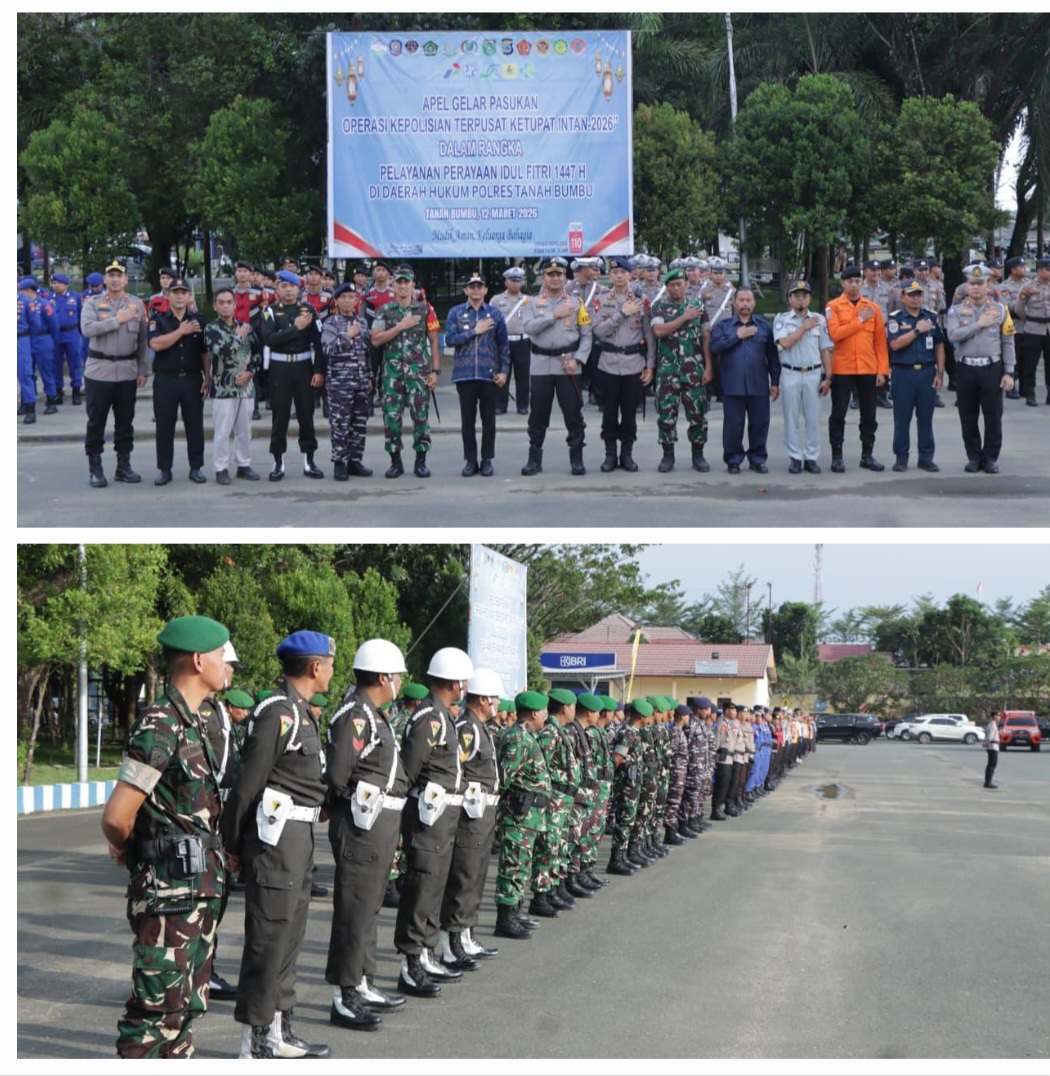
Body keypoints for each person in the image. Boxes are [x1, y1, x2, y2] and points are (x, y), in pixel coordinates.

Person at [101, 615, 230, 1057]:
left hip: (194, 892)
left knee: (183, 1012)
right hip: (168, 896)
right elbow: (117, 815)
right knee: (156, 1016)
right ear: (198, 660)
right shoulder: (161, 723)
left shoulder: (191, 720)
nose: (225, 662)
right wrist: (128, 846)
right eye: (219, 654)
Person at [221, 630, 335, 1060]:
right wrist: (233, 844)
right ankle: (256, 1040)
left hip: (299, 840)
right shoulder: (276, 712)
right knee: (268, 940)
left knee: (289, 939)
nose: (331, 669)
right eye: (328, 661)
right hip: (274, 841)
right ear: (314, 666)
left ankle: (280, 1028)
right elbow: (246, 787)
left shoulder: (302, 712)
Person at [323, 639, 411, 1032]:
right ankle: (345, 994)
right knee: (354, 910)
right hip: (361, 826)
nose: (401, 682)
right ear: (382, 676)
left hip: (378, 825)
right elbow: (339, 775)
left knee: (368, 909)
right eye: (397, 675)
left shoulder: (375, 714)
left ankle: (363, 979)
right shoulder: (356, 716)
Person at [393, 647, 474, 998]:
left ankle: (425, 954)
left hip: (443, 814)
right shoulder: (430, 716)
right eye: (463, 680)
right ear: (454, 682)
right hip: (428, 814)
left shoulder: (441, 715)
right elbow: (410, 770)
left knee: (434, 886)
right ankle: (410, 964)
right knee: (421, 885)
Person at [439, 667, 505, 969]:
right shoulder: (467, 727)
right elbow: (459, 769)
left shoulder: (480, 726)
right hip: (470, 813)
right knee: (463, 876)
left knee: (477, 875)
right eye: (495, 698)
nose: (499, 704)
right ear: (482, 699)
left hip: (484, 811)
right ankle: (451, 942)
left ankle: (466, 934)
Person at [520, 256, 593, 476]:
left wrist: (578, 359)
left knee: (573, 413)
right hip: (541, 365)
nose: (554, 278)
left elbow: (587, 335)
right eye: (550, 274)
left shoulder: (576, 303)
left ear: (565, 277)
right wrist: (553, 315)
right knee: (538, 413)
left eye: (559, 274)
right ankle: (534, 458)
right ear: (543, 277)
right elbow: (530, 327)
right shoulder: (531, 303)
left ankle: (577, 458)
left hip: (568, 365)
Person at [80, 261, 150, 488]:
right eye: (111, 275)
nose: (115, 279)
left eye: (119, 275)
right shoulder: (92, 303)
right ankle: (95, 468)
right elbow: (88, 329)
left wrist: (143, 369)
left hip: (128, 373)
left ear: (126, 279)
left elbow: (142, 340)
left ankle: (123, 466)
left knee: (125, 423)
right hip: (99, 372)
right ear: (105, 279)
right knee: (96, 422)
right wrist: (116, 320)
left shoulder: (137, 305)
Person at [370, 265, 441, 479]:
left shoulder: (425, 309)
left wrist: (436, 372)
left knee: (420, 418)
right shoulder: (384, 311)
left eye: (406, 282)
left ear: (412, 284)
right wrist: (400, 326)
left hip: (418, 374)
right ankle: (395, 462)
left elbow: (435, 342)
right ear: (393, 284)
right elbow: (375, 340)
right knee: (391, 418)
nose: (402, 286)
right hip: (392, 375)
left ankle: (421, 461)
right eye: (399, 282)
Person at [945, 264, 1016, 473]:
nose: (975, 287)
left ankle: (991, 457)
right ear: (966, 285)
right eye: (971, 283)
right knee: (968, 415)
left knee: (993, 415)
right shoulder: (956, 310)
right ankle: (974, 456)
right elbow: (953, 336)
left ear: (988, 285)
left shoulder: (1001, 309)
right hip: (966, 368)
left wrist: (1009, 372)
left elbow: (1008, 342)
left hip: (991, 368)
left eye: (980, 283)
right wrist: (980, 324)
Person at [259, 269, 327, 481]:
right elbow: (269, 339)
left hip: (304, 368)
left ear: (299, 288)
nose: (288, 290)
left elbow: (319, 342)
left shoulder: (309, 310)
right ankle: (278, 462)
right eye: (283, 286)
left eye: (292, 286)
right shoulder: (269, 311)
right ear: (277, 289)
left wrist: (318, 370)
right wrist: (295, 328)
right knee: (280, 417)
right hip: (280, 370)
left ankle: (309, 460)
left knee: (306, 416)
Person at [493, 691, 551, 938]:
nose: (546, 716)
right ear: (535, 713)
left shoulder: (527, 736)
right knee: (513, 866)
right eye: (545, 711)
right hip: (519, 815)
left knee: (521, 866)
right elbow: (503, 778)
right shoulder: (518, 738)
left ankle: (515, 912)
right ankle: (505, 920)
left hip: (529, 816)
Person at [591, 255, 654, 472]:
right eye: (615, 272)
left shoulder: (641, 299)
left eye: (622, 272)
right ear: (610, 275)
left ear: (630, 274)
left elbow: (648, 334)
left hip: (633, 364)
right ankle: (610, 455)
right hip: (607, 364)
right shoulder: (601, 298)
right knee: (609, 413)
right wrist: (621, 314)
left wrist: (650, 365)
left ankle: (627, 454)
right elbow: (598, 330)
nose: (618, 276)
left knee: (629, 413)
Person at [444, 272, 510, 477]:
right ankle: (470, 460)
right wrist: (474, 330)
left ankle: (487, 459)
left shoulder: (495, 314)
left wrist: (504, 372)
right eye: (471, 286)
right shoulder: (456, 312)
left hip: (488, 375)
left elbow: (503, 346)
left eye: (479, 286)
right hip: (464, 376)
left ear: (485, 290)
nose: (475, 290)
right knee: (468, 420)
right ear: (466, 290)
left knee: (489, 419)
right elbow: (450, 339)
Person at [709, 288, 781, 474]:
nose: (745, 304)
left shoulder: (764, 327)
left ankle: (757, 459)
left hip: (758, 385)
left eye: (748, 300)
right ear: (734, 302)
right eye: (741, 300)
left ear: (754, 303)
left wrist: (774, 382)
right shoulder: (723, 326)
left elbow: (772, 358)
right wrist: (737, 336)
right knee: (733, 426)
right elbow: (715, 347)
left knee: (759, 424)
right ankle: (733, 460)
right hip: (733, 385)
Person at [825, 265, 889, 472]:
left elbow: (880, 342)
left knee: (869, 414)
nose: (854, 285)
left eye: (857, 281)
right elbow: (835, 333)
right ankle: (837, 456)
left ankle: (867, 455)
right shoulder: (833, 306)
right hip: (843, 369)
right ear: (842, 283)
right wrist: (859, 320)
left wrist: (882, 371)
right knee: (838, 414)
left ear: (861, 283)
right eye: (849, 282)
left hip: (868, 368)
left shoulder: (872, 307)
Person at [148, 277, 208, 486]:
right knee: (164, 426)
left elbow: (204, 352)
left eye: (184, 292)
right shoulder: (159, 320)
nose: (180, 296)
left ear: (189, 296)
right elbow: (155, 344)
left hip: (192, 379)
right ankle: (165, 469)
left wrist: (207, 378)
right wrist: (181, 331)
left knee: (195, 425)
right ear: (168, 295)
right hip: (166, 380)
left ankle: (196, 467)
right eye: (176, 292)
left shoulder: (199, 321)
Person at [650, 266, 709, 473]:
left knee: (698, 413)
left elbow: (705, 338)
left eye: (680, 284)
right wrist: (684, 317)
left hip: (694, 370)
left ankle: (698, 454)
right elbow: (659, 331)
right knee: (666, 413)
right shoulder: (659, 307)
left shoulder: (698, 306)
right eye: (672, 285)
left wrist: (708, 367)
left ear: (686, 285)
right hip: (668, 371)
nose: (677, 289)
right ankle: (668, 456)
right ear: (667, 287)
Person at [886, 279, 946, 472]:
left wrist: (940, 373)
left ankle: (926, 457)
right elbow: (895, 344)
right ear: (902, 297)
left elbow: (939, 345)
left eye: (918, 294)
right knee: (902, 418)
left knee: (926, 417)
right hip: (903, 373)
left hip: (927, 372)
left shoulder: (931, 317)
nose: (915, 299)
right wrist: (917, 330)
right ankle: (901, 457)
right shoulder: (896, 318)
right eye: (911, 295)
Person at [773, 279, 832, 474]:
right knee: (791, 418)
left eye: (805, 295)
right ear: (789, 298)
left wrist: (828, 377)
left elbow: (825, 350)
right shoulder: (782, 319)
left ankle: (811, 457)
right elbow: (786, 343)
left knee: (813, 418)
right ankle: (795, 457)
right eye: (797, 295)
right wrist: (805, 326)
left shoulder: (819, 319)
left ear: (810, 299)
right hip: (790, 372)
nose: (801, 299)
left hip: (813, 373)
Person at [205, 287, 261, 484]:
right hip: (223, 388)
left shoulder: (246, 326)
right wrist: (238, 337)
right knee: (222, 431)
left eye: (229, 302)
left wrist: (250, 372)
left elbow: (257, 353)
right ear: (215, 306)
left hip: (246, 388)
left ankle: (243, 465)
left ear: (235, 305)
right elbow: (221, 351)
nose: (226, 306)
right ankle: (221, 468)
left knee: (245, 429)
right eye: (221, 302)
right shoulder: (212, 329)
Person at [321, 282, 373, 480]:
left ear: (356, 300)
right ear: (336, 301)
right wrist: (347, 336)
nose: (347, 301)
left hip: (360, 382)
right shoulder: (331, 323)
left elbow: (366, 352)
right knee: (340, 425)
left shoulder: (363, 322)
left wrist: (369, 377)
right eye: (343, 297)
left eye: (351, 297)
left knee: (359, 424)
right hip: (340, 384)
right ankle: (340, 462)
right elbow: (327, 349)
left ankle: (355, 460)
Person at [490, 266, 531, 415]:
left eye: (518, 281)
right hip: (503, 342)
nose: (515, 284)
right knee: (502, 374)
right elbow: (490, 320)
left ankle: (523, 405)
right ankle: (500, 405)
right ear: (506, 282)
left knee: (523, 375)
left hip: (522, 341)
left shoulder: (528, 300)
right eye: (512, 280)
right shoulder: (496, 300)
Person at [1014, 256, 1050, 406]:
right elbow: (1019, 308)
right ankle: (1030, 393)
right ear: (1040, 270)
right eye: (1048, 269)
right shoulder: (1028, 287)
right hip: (1033, 329)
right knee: (1030, 363)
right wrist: (1029, 318)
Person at [50, 273, 83, 404]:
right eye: (54, 283)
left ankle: (76, 391)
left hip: (72, 334)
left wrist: (81, 332)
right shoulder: (48, 298)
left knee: (74, 363)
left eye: (59, 283)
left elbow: (81, 315)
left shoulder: (75, 297)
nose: (56, 285)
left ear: (66, 284)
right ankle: (58, 392)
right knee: (56, 364)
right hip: (56, 336)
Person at [984, 711, 1000, 789]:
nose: (999, 717)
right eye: (998, 715)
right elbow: (990, 736)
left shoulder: (992, 724)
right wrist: (986, 743)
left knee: (991, 764)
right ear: (995, 716)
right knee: (992, 764)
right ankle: (988, 782)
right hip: (992, 747)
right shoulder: (993, 725)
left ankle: (988, 781)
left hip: (993, 746)